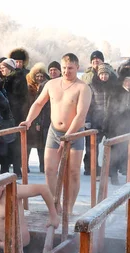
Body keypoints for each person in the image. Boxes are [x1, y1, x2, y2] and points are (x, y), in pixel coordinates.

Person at [21, 53, 92, 215]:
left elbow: (81, 116)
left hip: (74, 133)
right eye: (64, 68)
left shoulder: (83, 87)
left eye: (71, 68)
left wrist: (68, 136)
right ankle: (55, 203)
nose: (67, 71)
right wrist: (29, 120)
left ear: (77, 67)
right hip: (54, 131)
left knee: (73, 172)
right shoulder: (51, 84)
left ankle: (69, 207)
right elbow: (38, 103)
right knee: (50, 170)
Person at [103, 68, 130, 185]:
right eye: (126, 81)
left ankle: (129, 175)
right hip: (116, 128)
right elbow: (109, 111)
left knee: (128, 153)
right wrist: (107, 127)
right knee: (115, 153)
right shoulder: (115, 92)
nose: (128, 83)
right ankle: (113, 175)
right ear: (123, 81)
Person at [84, 63, 115, 176]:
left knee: (110, 146)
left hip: (110, 121)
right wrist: (87, 120)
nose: (104, 76)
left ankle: (110, 169)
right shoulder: (92, 86)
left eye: (106, 74)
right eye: (101, 74)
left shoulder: (113, 86)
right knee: (92, 147)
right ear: (98, 75)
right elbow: (88, 105)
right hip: (95, 120)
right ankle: (92, 168)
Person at [0, 57, 27, 178]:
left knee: (14, 144)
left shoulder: (17, 79)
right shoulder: (4, 79)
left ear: (10, 69)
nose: (1, 70)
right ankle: (5, 168)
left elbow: (19, 98)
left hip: (15, 115)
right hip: (6, 116)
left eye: (3, 68)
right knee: (5, 143)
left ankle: (16, 169)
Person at [25, 63, 49, 172]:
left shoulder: (46, 86)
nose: (39, 78)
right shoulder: (28, 86)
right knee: (28, 144)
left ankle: (43, 166)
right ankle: (25, 166)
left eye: (41, 76)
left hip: (42, 118)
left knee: (41, 145)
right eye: (37, 76)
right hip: (29, 117)